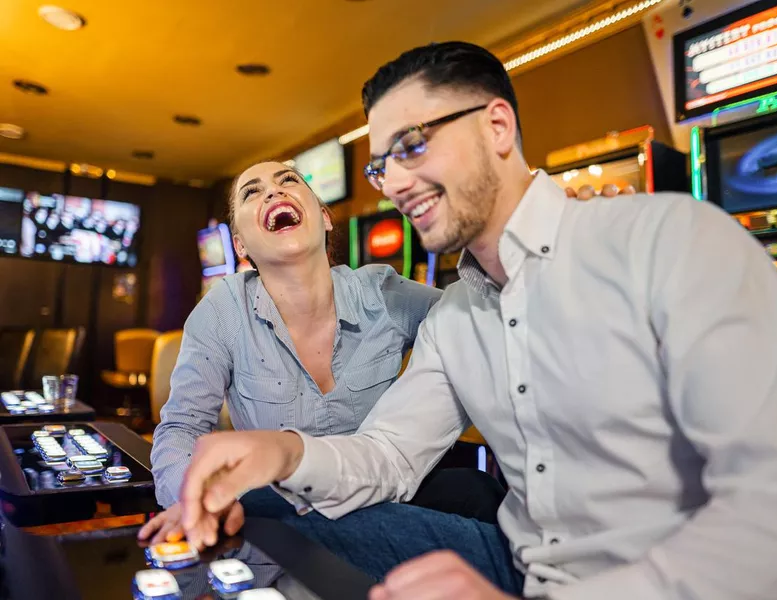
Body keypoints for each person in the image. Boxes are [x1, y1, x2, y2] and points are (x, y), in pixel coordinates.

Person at [178, 40, 777, 600]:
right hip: (518, 562)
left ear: (497, 126)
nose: (393, 181)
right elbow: (390, 454)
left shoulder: (672, 241)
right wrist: (284, 452)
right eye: (380, 165)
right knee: (272, 531)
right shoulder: (457, 316)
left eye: (411, 146)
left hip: (660, 575)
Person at [142, 158, 519, 543]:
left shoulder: (382, 293)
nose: (273, 190)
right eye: (251, 192)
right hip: (282, 512)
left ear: (324, 217)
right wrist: (195, 499)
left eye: (288, 179)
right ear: (240, 244)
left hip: (381, 502)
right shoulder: (223, 309)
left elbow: (474, 324)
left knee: (473, 491)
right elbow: (181, 428)